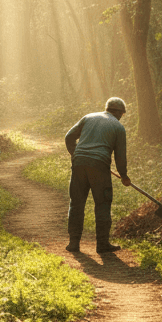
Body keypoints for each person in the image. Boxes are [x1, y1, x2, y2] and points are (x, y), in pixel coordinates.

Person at [64, 96, 132, 254]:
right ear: (120, 113)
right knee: (102, 204)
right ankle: (102, 244)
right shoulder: (118, 128)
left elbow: (69, 137)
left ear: (107, 108)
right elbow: (120, 157)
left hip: (79, 164)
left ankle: (73, 243)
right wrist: (124, 176)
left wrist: (76, 154)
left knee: (76, 203)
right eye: (122, 114)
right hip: (100, 167)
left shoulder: (88, 117)